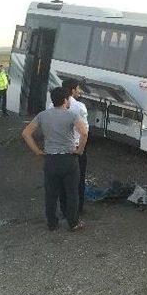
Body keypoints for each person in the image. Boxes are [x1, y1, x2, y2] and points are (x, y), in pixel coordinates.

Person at [21, 87, 88, 231]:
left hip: (50, 160)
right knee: (72, 193)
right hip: (69, 159)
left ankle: (52, 223)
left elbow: (26, 133)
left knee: (51, 194)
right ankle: (73, 222)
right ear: (65, 100)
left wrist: (37, 151)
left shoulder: (42, 115)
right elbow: (84, 133)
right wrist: (79, 150)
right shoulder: (72, 115)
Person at [63, 78, 89, 214]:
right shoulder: (79, 107)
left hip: (61, 149)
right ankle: (78, 209)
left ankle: (64, 207)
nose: (80, 91)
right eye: (78, 88)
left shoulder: (52, 105)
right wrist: (80, 151)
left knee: (64, 179)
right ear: (73, 90)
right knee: (79, 179)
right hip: (76, 148)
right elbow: (85, 132)